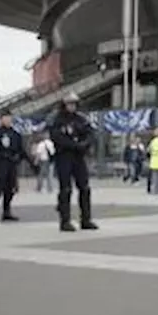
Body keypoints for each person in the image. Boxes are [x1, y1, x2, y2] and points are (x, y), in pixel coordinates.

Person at [49, 93, 99, 232]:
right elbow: (57, 137)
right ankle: (65, 221)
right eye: (69, 104)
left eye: (74, 104)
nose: (72, 106)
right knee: (65, 189)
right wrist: (74, 145)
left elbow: (90, 133)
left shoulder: (81, 119)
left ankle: (86, 219)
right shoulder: (57, 120)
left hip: (78, 157)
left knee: (84, 187)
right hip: (64, 156)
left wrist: (85, 144)